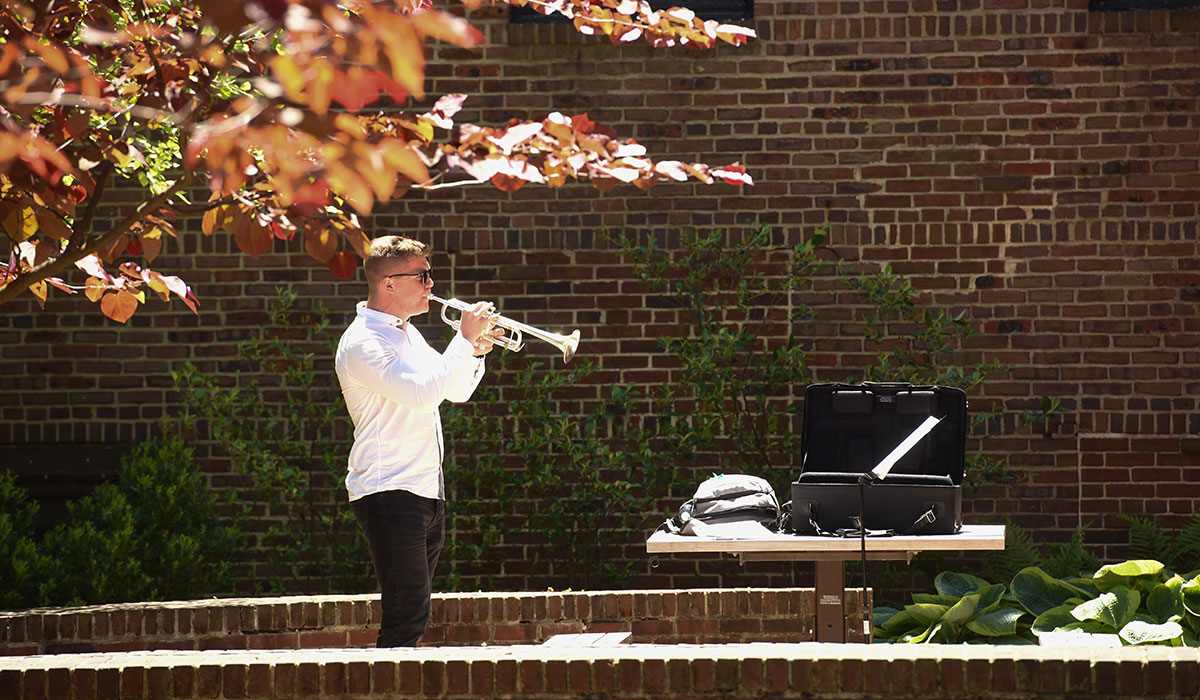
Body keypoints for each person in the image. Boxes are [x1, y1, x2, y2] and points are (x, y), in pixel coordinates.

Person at [335, 235, 500, 647]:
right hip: (388, 491)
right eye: (423, 275)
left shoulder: (407, 335)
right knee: (406, 614)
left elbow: (453, 391)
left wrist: (475, 351)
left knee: (413, 613)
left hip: (424, 491)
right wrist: (462, 339)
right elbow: (424, 392)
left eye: (431, 274)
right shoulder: (363, 342)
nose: (431, 283)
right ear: (389, 283)